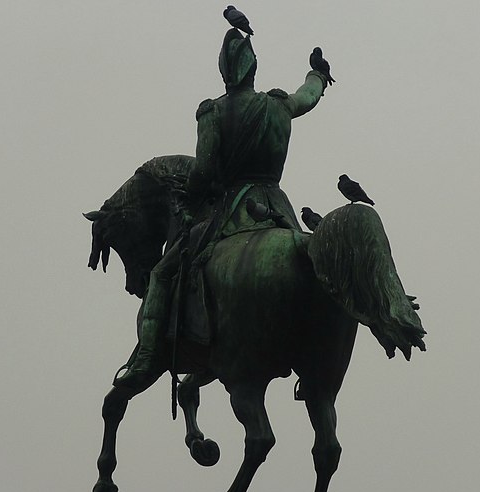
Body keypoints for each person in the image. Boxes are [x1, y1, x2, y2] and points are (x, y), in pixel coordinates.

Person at [115, 29, 331, 391]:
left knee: (163, 274)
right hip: (279, 209)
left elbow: (203, 170)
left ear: (225, 71)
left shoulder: (212, 112)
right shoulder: (278, 104)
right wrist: (318, 76)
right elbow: (307, 98)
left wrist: (192, 191)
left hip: (230, 211)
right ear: (253, 69)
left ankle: (147, 356)